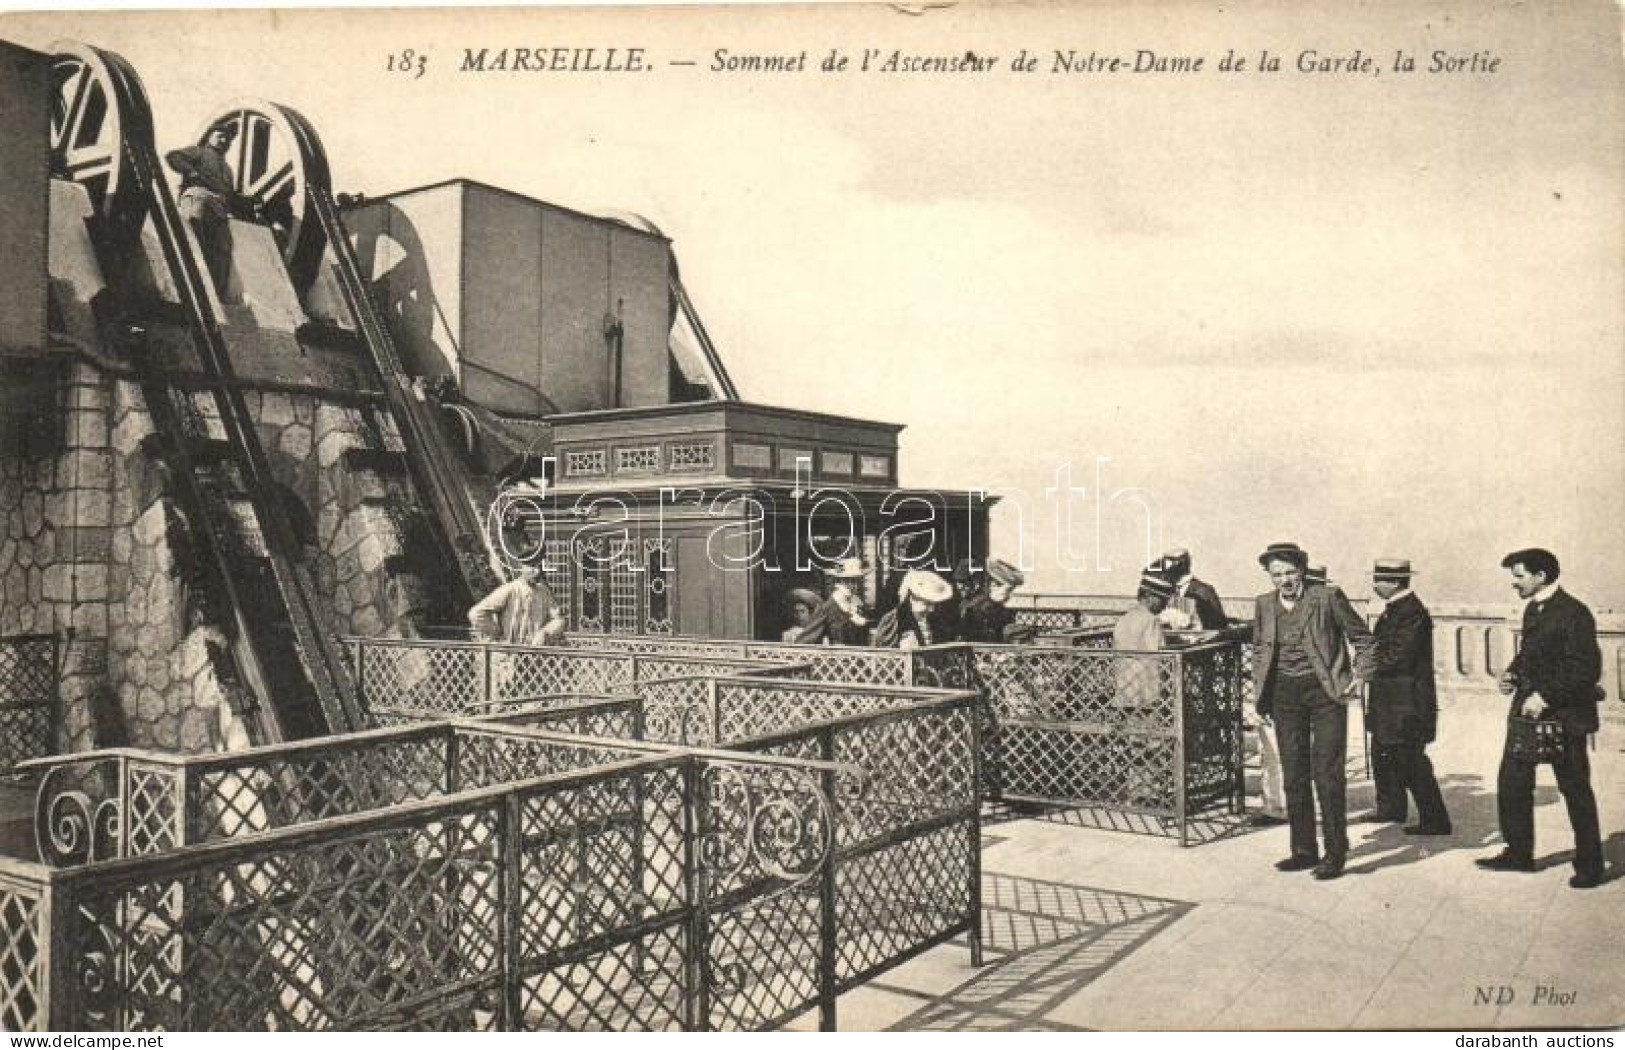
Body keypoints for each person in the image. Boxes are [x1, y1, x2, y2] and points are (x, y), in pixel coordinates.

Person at [1477, 549, 1605, 889]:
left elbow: (1585, 669)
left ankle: (1591, 864)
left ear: (1541, 577)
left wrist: (1545, 696)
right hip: (1528, 716)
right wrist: (1513, 674)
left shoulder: (1574, 613)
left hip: (1565, 716)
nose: (1513, 583)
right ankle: (1519, 854)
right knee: (1513, 781)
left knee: (1574, 787)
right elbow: (1530, 655)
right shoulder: (1535, 608)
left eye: (1518, 576)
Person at [1252, 541, 1376, 881]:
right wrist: (1258, 698)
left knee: (1327, 772)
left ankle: (1335, 852)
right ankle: (1304, 850)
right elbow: (1261, 651)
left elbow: (1364, 640)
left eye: (1290, 572)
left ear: (1302, 571)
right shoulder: (1263, 605)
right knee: (1293, 773)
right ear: (1269, 576)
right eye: (1277, 574)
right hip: (1283, 695)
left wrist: (1361, 676)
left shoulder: (1327, 598)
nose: (1285, 580)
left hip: (1325, 693)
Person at [1368, 559, 1451, 834]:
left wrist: (1366, 664)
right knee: (1388, 755)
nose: (1375, 584)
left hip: (1407, 704)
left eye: (1379, 580)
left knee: (1411, 760)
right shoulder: (1398, 610)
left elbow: (1397, 657)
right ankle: (1393, 808)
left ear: (1394, 583)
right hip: (1393, 702)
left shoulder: (1412, 612)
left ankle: (1435, 819)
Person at [165, 123, 241, 297]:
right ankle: (187, 289)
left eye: (227, 138)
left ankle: (215, 294)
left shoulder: (228, 170)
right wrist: (191, 172)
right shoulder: (199, 152)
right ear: (209, 137)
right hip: (199, 199)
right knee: (194, 239)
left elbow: (230, 194)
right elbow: (173, 157)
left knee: (223, 249)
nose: (224, 140)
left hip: (219, 209)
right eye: (219, 135)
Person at [468, 560, 567, 645]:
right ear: (522, 568)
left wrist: (545, 632)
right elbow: (476, 613)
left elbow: (559, 619)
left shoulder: (544, 592)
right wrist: (497, 634)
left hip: (536, 654)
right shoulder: (510, 589)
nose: (537, 572)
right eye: (532, 567)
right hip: (510, 654)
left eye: (539, 567)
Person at [795, 558, 872, 646]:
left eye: (855, 581)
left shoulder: (858, 604)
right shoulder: (829, 607)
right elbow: (805, 640)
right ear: (838, 581)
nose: (852, 585)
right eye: (847, 581)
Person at [872, 569, 954, 649]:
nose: (931, 609)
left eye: (933, 604)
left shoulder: (934, 621)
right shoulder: (895, 620)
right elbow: (885, 648)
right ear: (913, 599)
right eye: (927, 603)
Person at [1157, 548, 1229, 631]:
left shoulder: (1204, 591)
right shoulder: (1166, 591)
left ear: (1180, 564)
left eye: (1166, 564)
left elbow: (1219, 625)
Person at [959, 558, 1025, 643]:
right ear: (994, 585)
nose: (1010, 595)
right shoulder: (977, 608)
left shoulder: (1000, 609)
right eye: (1009, 590)